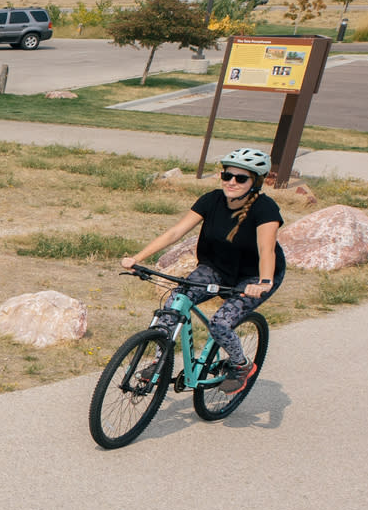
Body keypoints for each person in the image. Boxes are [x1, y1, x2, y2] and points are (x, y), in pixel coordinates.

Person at [121, 146, 285, 395]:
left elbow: (266, 249)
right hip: (216, 268)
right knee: (175, 301)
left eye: (240, 178)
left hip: (253, 275)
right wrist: (137, 258)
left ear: (255, 182)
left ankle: (240, 365)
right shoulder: (211, 200)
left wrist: (263, 281)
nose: (231, 182)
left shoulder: (265, 209)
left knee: (220, 323)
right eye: (226, 176)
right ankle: (159, 361)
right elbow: (176, 232)